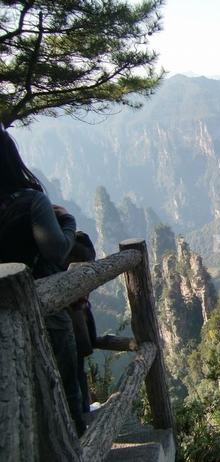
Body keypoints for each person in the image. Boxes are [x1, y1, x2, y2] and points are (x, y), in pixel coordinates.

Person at [0, 123, 85, 435]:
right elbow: (57, 251)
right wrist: (67, 220)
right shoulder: (30, 201)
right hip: (42, 306)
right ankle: (76, 441)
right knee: (65, 380)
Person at [65, 232, 98, 414]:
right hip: (70, 323)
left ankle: (81, 417)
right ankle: (82, 419)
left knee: (75, 373)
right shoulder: (71, 244)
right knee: (74, 373)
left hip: (71, 321)